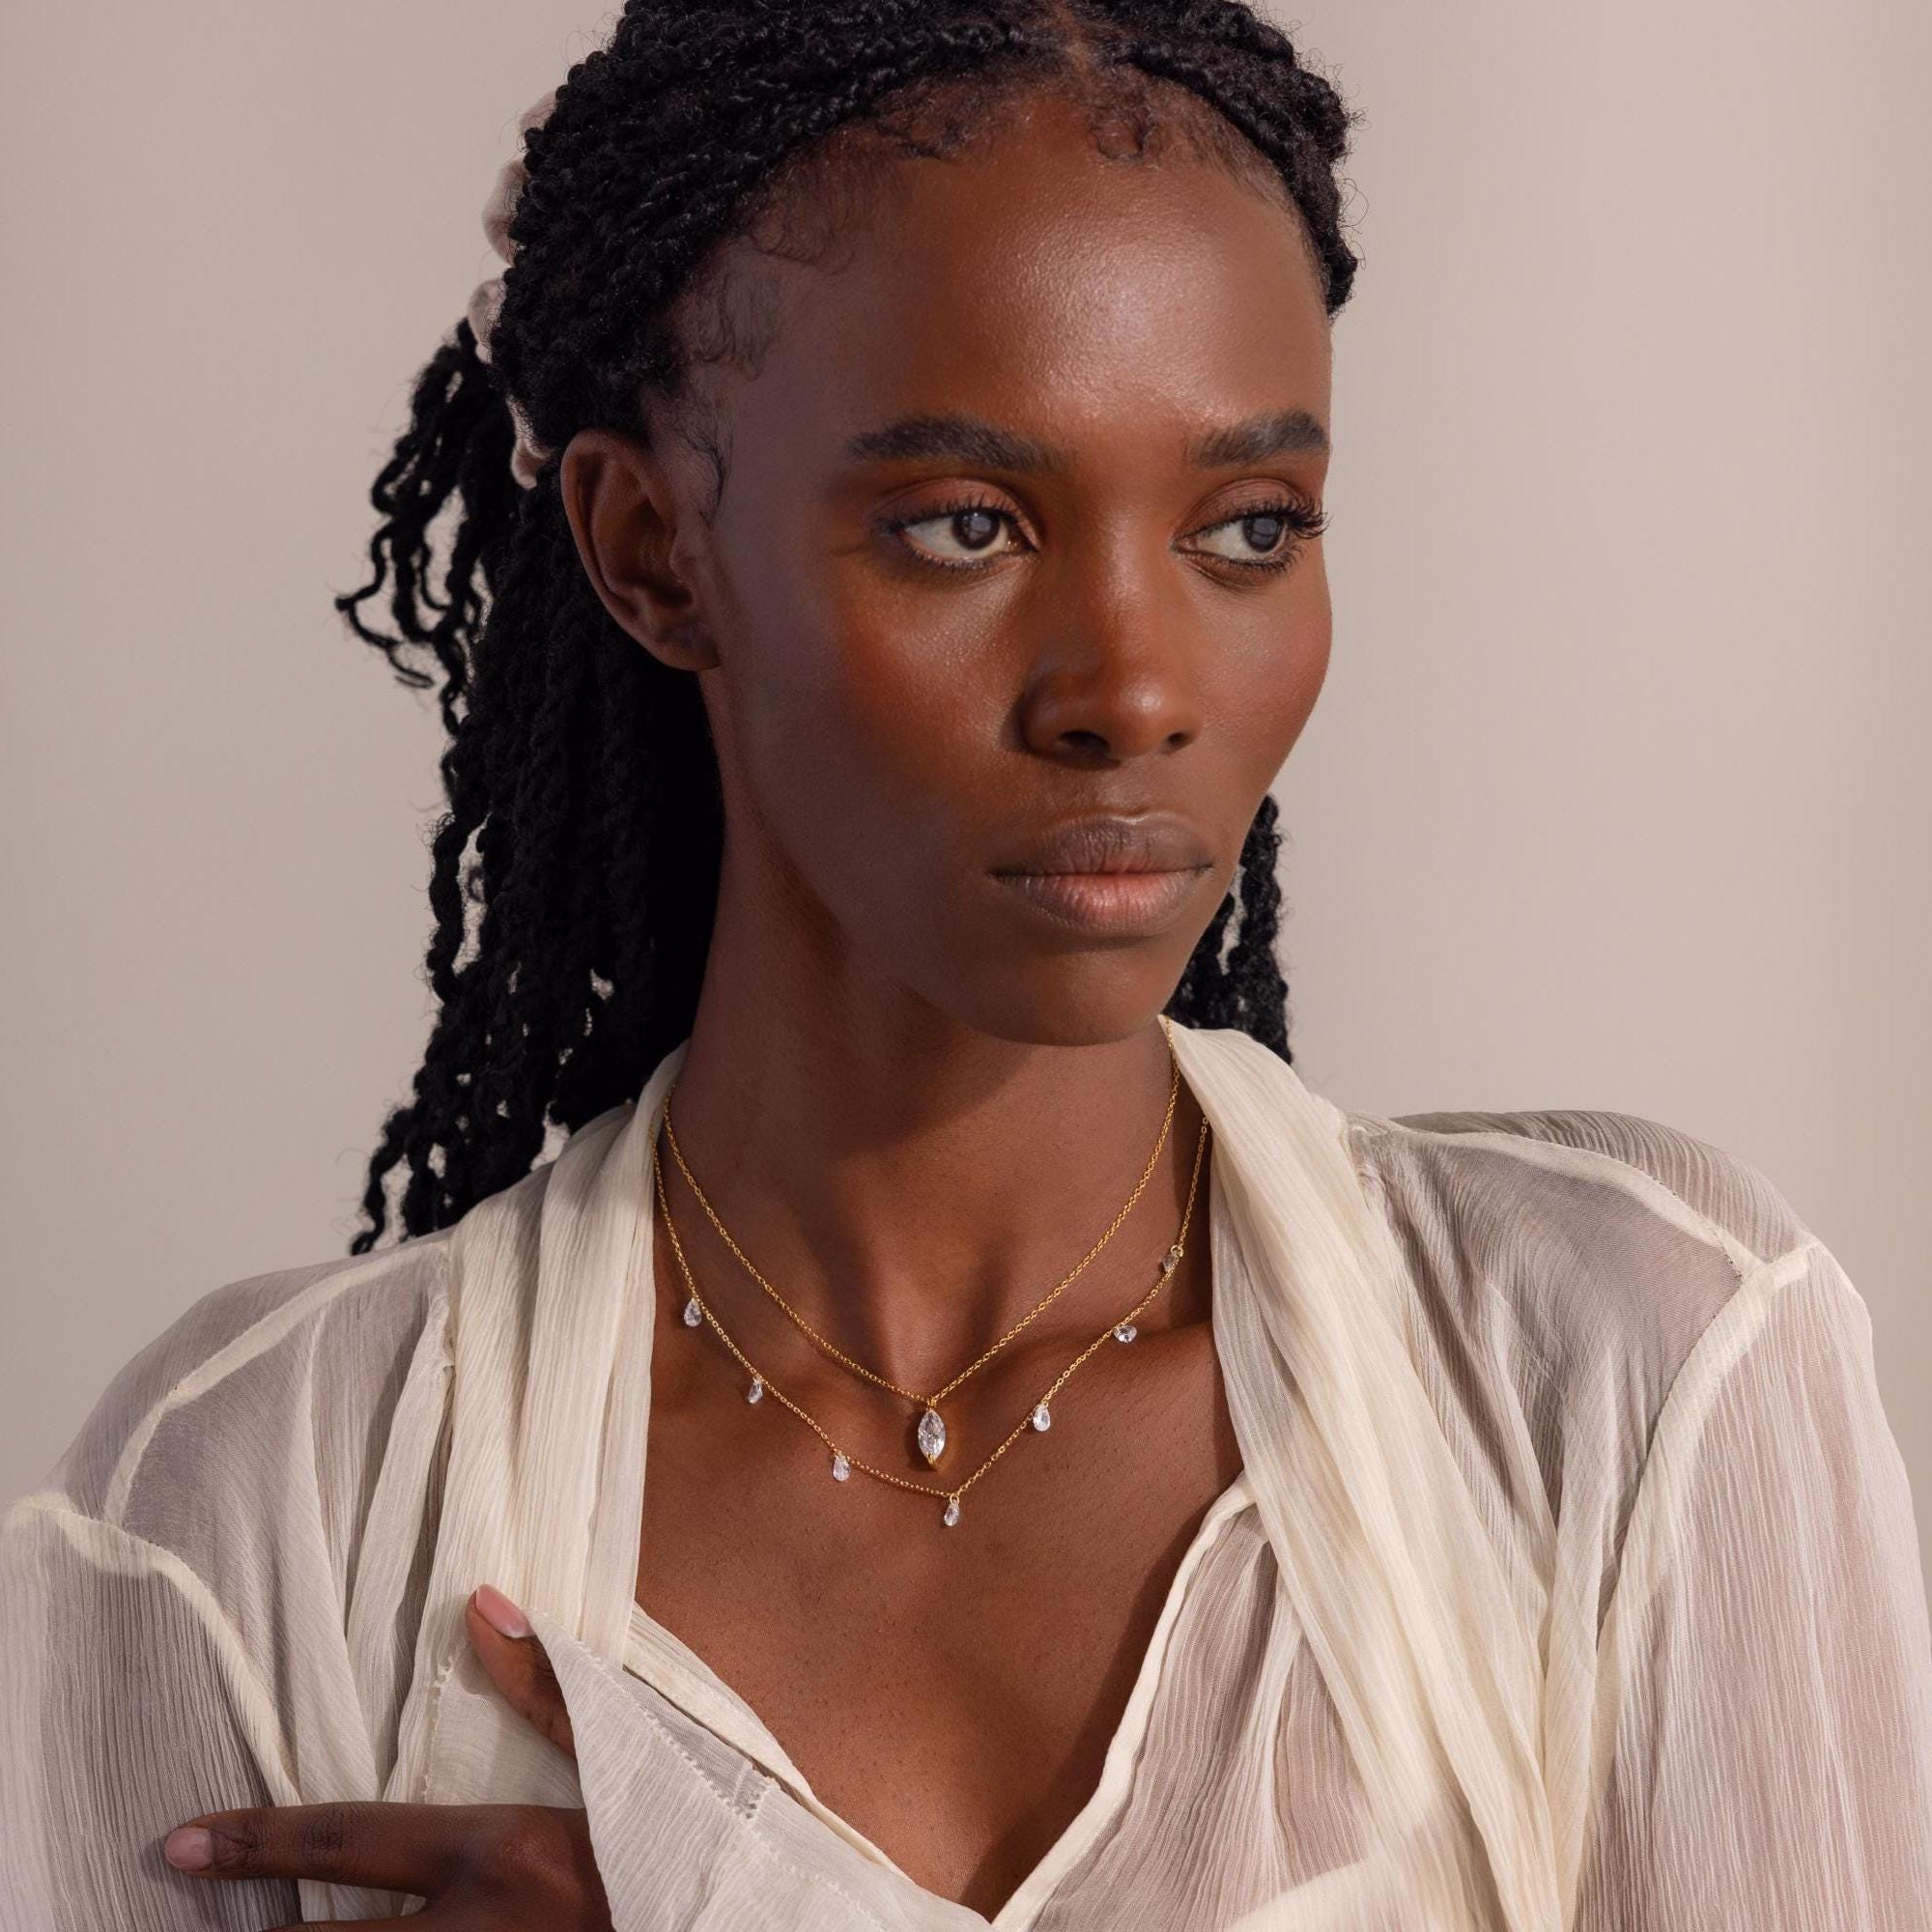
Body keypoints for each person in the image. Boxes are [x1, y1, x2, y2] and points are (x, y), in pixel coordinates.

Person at [5, 3, 1930, 1927]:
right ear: (655, 550)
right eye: (966, 524)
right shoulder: (249, 1508)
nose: (1137, 688)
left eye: (1245, 526)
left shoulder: (1635, 1361)